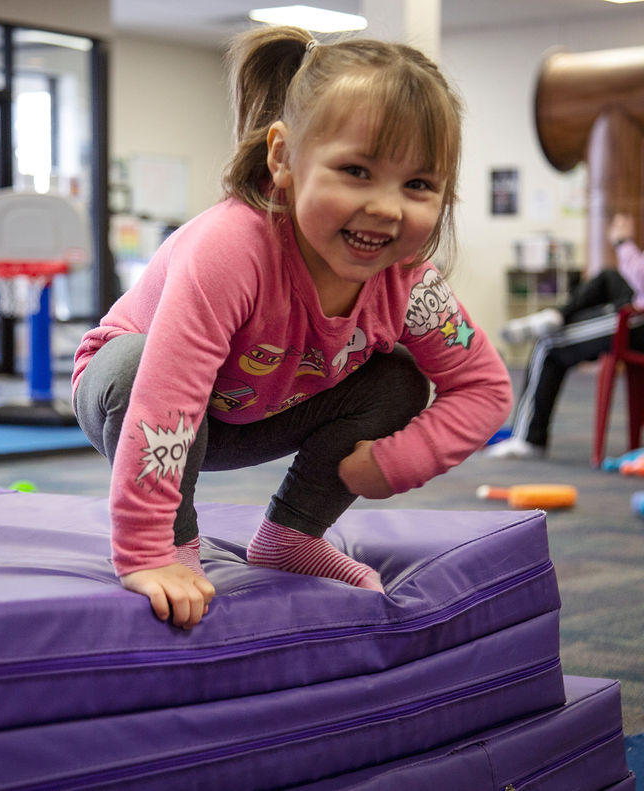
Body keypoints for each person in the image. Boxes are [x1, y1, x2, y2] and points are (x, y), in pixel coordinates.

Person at [71, 27, 512, 629]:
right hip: (136, 404)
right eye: (356, 171)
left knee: (398, 381)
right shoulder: (231, 250)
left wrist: (392, 463)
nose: (386, 207)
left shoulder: (409, 281)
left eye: (418, 185)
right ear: (283, 158)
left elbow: (484, 388)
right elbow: (165, 402)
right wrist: (150, 553)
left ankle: (291, 536)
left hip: (256, 409)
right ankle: (176, 540)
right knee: (134, 366)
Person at [488, 213, 644, 459]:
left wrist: (623, 242)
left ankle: (529, 439)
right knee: (607, 278)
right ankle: (557, 314)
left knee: (548, 344)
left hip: (639, 320)